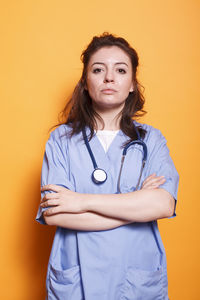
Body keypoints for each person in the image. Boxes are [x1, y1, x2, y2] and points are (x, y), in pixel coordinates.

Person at [36, 33, 179, 300]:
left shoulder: (152, 140)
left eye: (121, 70)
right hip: (76, 279)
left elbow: (163, 205)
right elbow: (54, 214)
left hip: (135, 280)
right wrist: (136, 206)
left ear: (132, 84)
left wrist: (80, 201)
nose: (109, 78)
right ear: (85, 83)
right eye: (98, 69)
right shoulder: (61, 140)